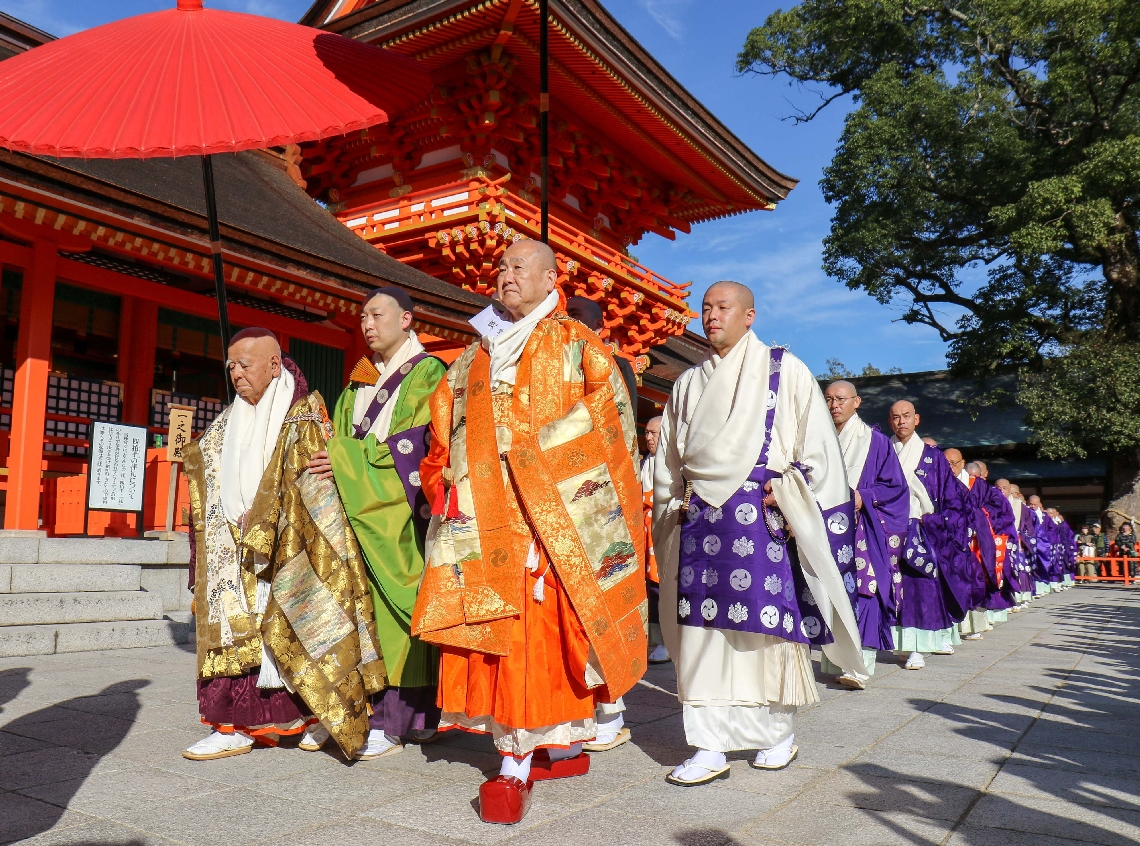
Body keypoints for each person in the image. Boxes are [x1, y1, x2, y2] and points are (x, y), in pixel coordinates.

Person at [412, 239, 646, 824]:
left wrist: (535, 457)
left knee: (543, 633)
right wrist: (445, 477)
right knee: (500, 633)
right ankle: (524, 745)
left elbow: (613, 420)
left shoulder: (578, 345)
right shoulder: (473, 357)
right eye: (500, 266)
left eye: (518, 266)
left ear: (550, 278)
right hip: (485, 521)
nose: (505, 275)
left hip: (550, 517)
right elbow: (443, 431)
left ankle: (527, 752)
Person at [654, 281, 863, 785]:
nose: (711, 316)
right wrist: (669, 507)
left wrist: (795, 495)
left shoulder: (782, 370)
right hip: (701, 519)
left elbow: (816, 448)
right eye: (705, 308)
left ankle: (776, 735)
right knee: (701, 633)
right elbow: (668, 462)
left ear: (749, 315)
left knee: (763, 630)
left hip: (760, 515)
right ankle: (708, 743)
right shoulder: (686, 384)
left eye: (723, 308)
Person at [183, 328, 385, 761]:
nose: (236, 374)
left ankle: (316, 717)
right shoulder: (224, 423)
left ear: (274, 364)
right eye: (231, 366)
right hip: (233, 550)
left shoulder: (305, 415)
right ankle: (232, 725)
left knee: (300, 624)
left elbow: (317, 485)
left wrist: (265, 520)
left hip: (291, 545)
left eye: (246, 364)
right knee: (237, 635)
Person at [306, 287, 447, 760]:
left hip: (401, 512)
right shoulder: (358, 380)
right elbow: (339, 436)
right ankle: (361, 713)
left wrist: (345, 458)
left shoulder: (428, 373)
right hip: (357, 504)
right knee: (356, 611)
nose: (367, 323)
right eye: (362, 316)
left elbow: (417, 445)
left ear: (407, 319)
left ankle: (400, 719)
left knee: (398, 612)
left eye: (377, 314)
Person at [823, 380, 908, 689]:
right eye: (829, 398)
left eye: (841, 399)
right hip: (823, 526)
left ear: (856, 402)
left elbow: (895, 487)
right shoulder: (817, 437)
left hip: (862, 527)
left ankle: (861, 665)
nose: (834, 404)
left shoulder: (876, 442)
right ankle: (836, 659)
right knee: (829, 591)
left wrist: (865, 496)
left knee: (865, 590)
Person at [888, 401, 971, 670]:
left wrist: (935, 522)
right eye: (896, 417)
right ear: (890, 421)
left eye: (907, 416)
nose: (901, 421)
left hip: (921, 526)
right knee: (891, 587)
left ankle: (918, 648)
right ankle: (899, 642)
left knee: (919, 586)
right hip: (887, 526)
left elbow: (951, 497)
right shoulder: (882, 450)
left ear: (917, 419)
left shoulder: (933, 457)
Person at [951, 457, 993, 641]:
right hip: (951, 539)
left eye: (954, 462)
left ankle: (975, 626)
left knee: (975, 581)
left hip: (975, 542)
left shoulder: (981, 487)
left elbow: (996, 512)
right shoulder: (944, 481)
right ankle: (955, 628)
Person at [642, 416, 668, 665]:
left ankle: (666, 641)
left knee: (663, 587)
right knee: (649, 589)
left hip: (664, 527)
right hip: (644, 530)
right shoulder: (644, 462)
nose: (648, 438)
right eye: (647, 433)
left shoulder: (673, 463)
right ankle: (655, 639)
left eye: (654, 433)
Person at [1027, 496, 1056, 594]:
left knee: (1042, 565)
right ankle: (1033, 589)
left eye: (1035, 504)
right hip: (1030, 544)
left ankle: (1043, 587)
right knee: (1031, 566)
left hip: (1042, 545)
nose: (1033, 506)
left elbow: (1052, 529)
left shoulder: (1045, 516)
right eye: (1031, 504)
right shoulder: (1026, 513)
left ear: (1039, 504)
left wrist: (1046, 538)